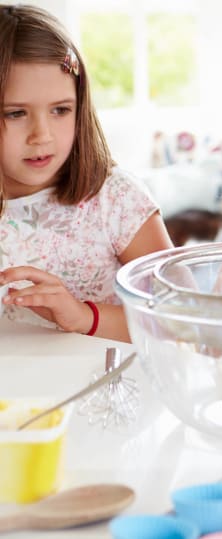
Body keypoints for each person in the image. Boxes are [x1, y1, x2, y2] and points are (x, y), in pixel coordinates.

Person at [0, 5, 172, 342]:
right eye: (16, 113)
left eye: (61, 110)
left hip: (102, 389)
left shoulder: (117, 200)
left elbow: (179, 321)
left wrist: (82, 317)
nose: (42, 135)